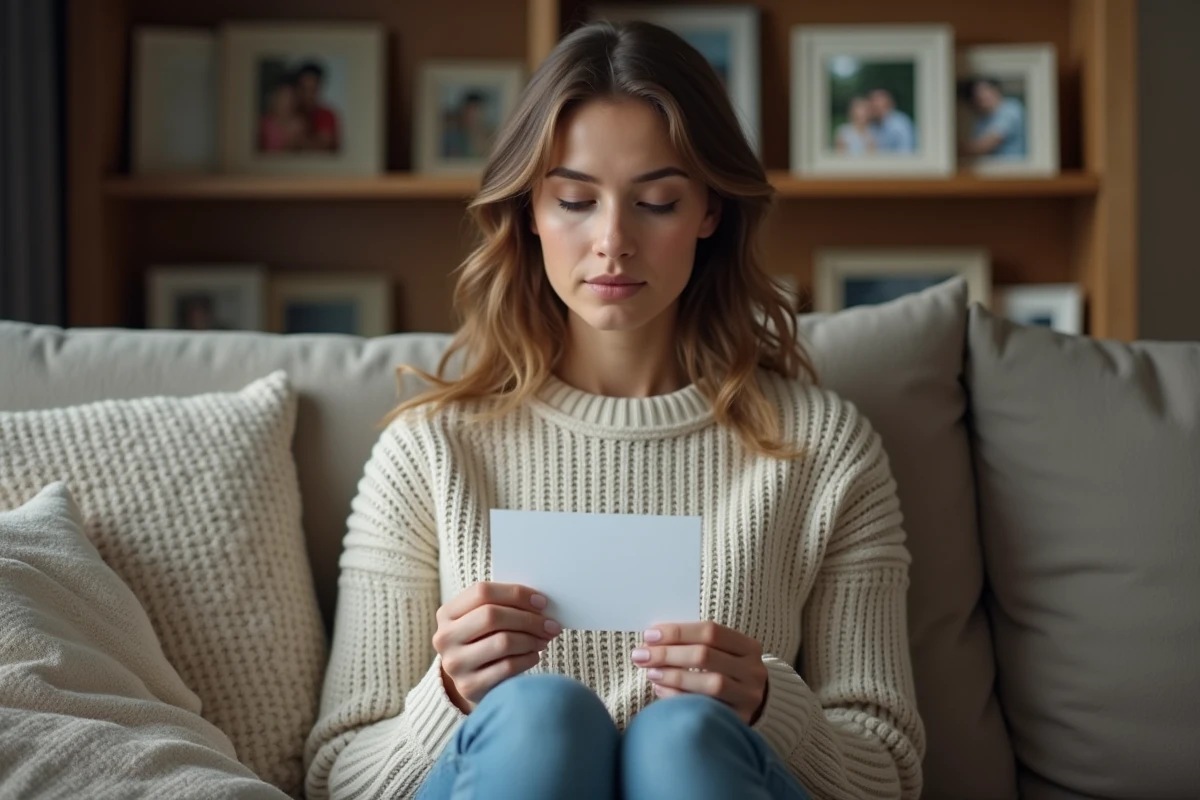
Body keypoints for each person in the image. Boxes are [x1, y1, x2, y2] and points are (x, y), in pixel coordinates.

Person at [303, 19, 925, 800]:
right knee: (540, 719)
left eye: (657, 202)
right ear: (529, 211)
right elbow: (338, 777)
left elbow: (891, 772)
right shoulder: (431, 449)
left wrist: (769, 707)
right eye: (574, 200)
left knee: (686, 739)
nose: (612, 242)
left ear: (710, 212)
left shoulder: (823, 448)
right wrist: (451, 701)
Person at [963, 77, 1027, 158]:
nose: (979, 96)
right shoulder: (983, 117)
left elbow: (983, 146)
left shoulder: (1010, 109)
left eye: (983, 91)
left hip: (1015, 167)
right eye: (976, 94)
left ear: (995, 90)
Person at [293, 61, 340, 152]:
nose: (308, 95)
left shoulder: (326, 115)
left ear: (320, 88)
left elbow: (323, 145)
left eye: (313, 90)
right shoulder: (291, 112)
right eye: (304, 89)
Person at [441, 91, 496, 159]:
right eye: (469, 112)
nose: (472, 117)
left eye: (476, 112)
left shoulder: (491, 135)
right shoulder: (452, 136)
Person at [258, 76, 306, 152]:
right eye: (283, 97)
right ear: (274, 98)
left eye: (291, 98)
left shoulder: (299, 124)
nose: (286, 102)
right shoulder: (263, 123)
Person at [868, 88, 917, 153]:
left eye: (876, 107)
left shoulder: (900, 124)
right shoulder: (875, 125)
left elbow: (905, 153)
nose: (872, 110)